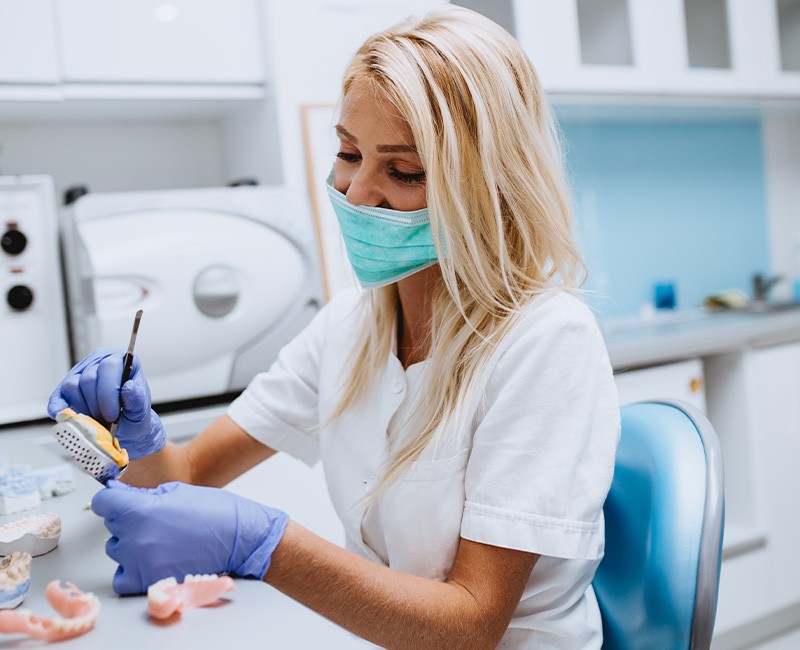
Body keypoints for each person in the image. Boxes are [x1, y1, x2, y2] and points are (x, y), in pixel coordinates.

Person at [48, 6, 619, 648]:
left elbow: (471, 624)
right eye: (349, 153)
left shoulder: (546, 343)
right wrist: (135, 436)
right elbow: (186, 475)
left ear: (489, 183)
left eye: (404, 171)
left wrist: (265, 544)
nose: (355, 192)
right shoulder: (351, 325)